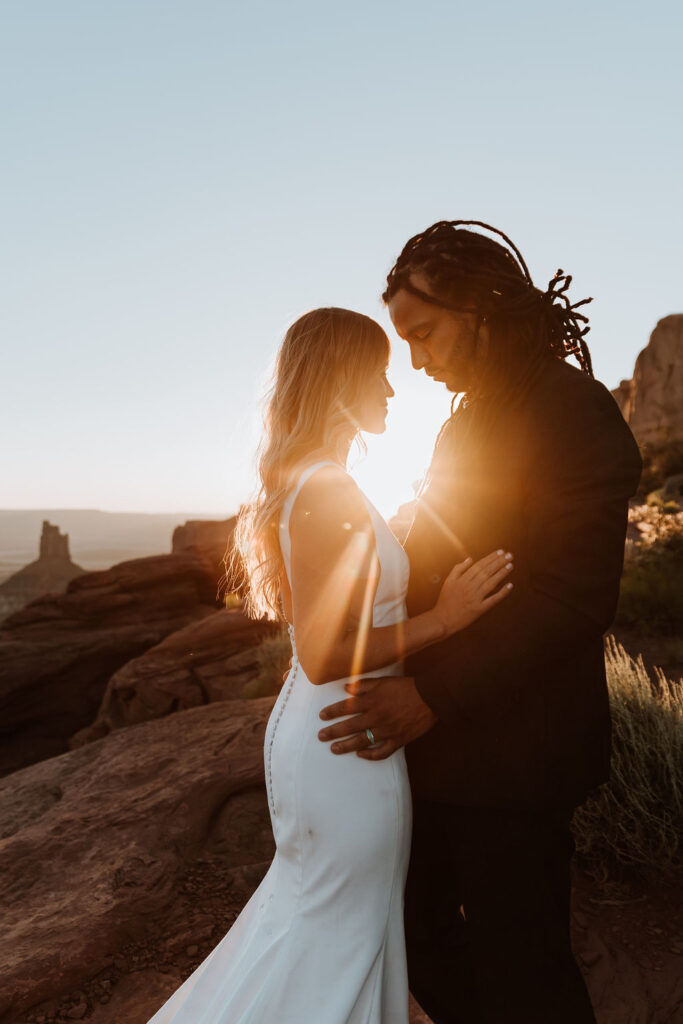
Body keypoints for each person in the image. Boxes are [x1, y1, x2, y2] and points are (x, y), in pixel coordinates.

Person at [145, 306, 512, 1024]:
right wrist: (447, 617)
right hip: (342, 738)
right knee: (333, 936)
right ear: (341, 379)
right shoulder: (324, 489)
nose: (391, 390)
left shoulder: (317, 483)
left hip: (341, 733)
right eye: (376, 374)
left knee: (335, 930)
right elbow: (320, 655)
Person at [317, 222, 643, 1023]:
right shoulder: (468, 419)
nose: (418, 360)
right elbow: (433, 548)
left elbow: (571, 598)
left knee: (522, 966)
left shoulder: (572, 410)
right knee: (418, 939)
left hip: (518, 755)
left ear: (481, 304)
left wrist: (431, 697)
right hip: (437, 752)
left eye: (423, 333)